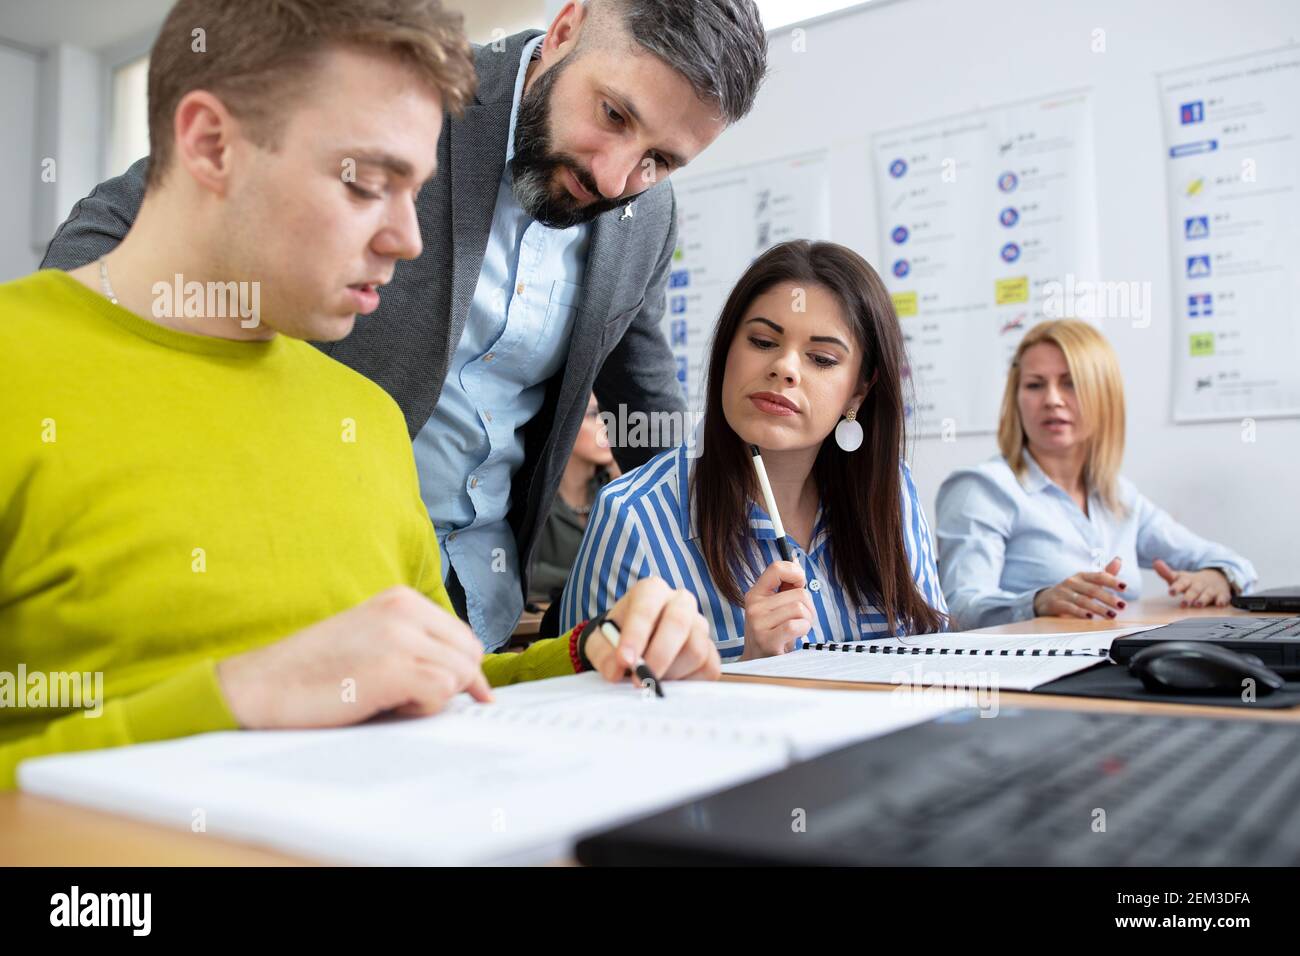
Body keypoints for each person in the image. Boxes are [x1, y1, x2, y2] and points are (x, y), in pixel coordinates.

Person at [0, 0, 718, 790]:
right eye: (368, 183)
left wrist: (595, 651)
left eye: (416, 190)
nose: (409, 240)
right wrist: (234, 700)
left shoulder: (368, 422)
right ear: (211, 145)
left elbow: (449, 690)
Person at [560, 240, 948, 660]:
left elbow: (931, 661)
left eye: (820, 358)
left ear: (859, 390)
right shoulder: (633, 516)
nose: (785, 368)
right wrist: (751, 665)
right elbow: (596, 715)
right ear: (728, 350)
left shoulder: (892, 493)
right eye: (763, 342)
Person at [935, 319, 1257, 630]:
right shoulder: (982, 489)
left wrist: (1219, 576)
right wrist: (1038, 602)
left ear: (1104, 397)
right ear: (1016, 399)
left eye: (1070, 383)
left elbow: (1234, 563)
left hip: (1114, 659)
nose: (1052, 399)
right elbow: (959, 608)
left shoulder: (1117, 496)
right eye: (1035, 385)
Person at [529, 394, 619, 604]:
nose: (607, 424)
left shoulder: (615, 493)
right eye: (593, 414)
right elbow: (516, 571)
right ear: (561, 421)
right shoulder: (531, 498)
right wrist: (590, 580)